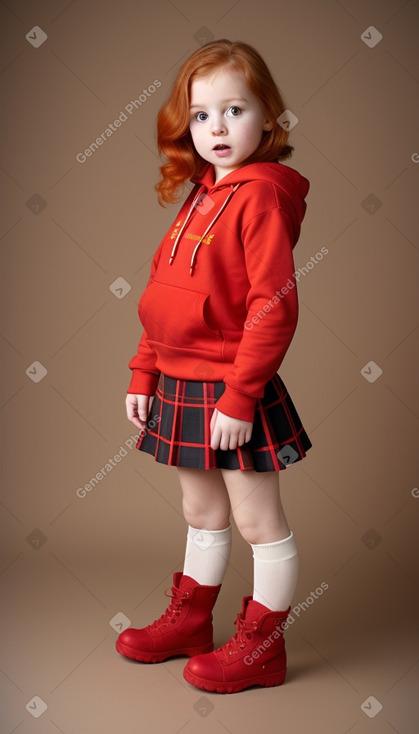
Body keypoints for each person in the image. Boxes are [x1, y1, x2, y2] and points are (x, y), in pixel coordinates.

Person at [116, 38, 312, 694]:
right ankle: (192, 621)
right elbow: (160, 297)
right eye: (201, 115)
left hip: (230, 387)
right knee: (200, 513)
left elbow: (272, 307)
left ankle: (263, 646)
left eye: (234, 110)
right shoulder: (202, 193)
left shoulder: (259, 196)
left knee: (258, 521)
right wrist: (145, 372)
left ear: (268, 119)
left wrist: (239, 396)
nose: (217, 127)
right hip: (178, 379)